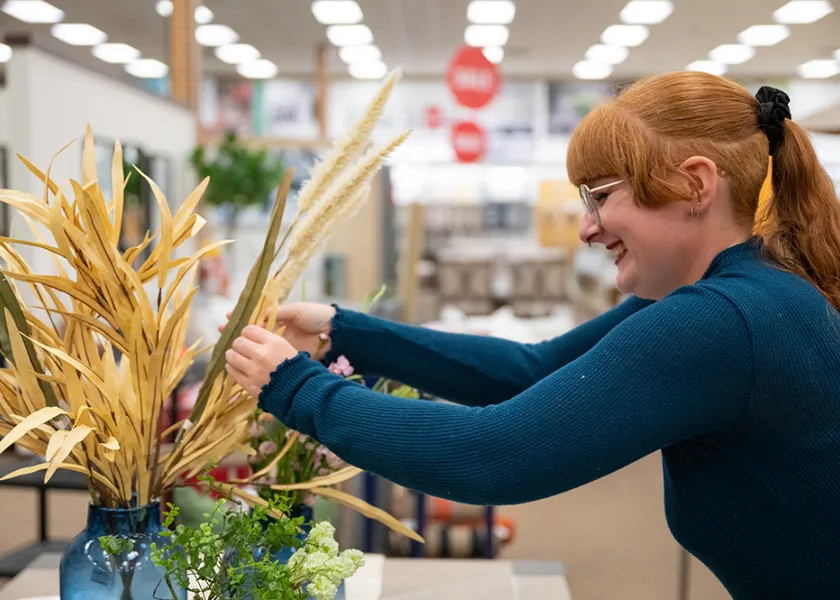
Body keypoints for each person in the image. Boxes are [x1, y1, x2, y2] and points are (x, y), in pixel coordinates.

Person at [223, 72, 840, 599]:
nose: (586, 229)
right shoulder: (748, 295)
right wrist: (342, 330)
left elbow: (493, 455)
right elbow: (530, 369)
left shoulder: (722, 321)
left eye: (600, 198)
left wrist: (296, 387)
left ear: (696, 185)